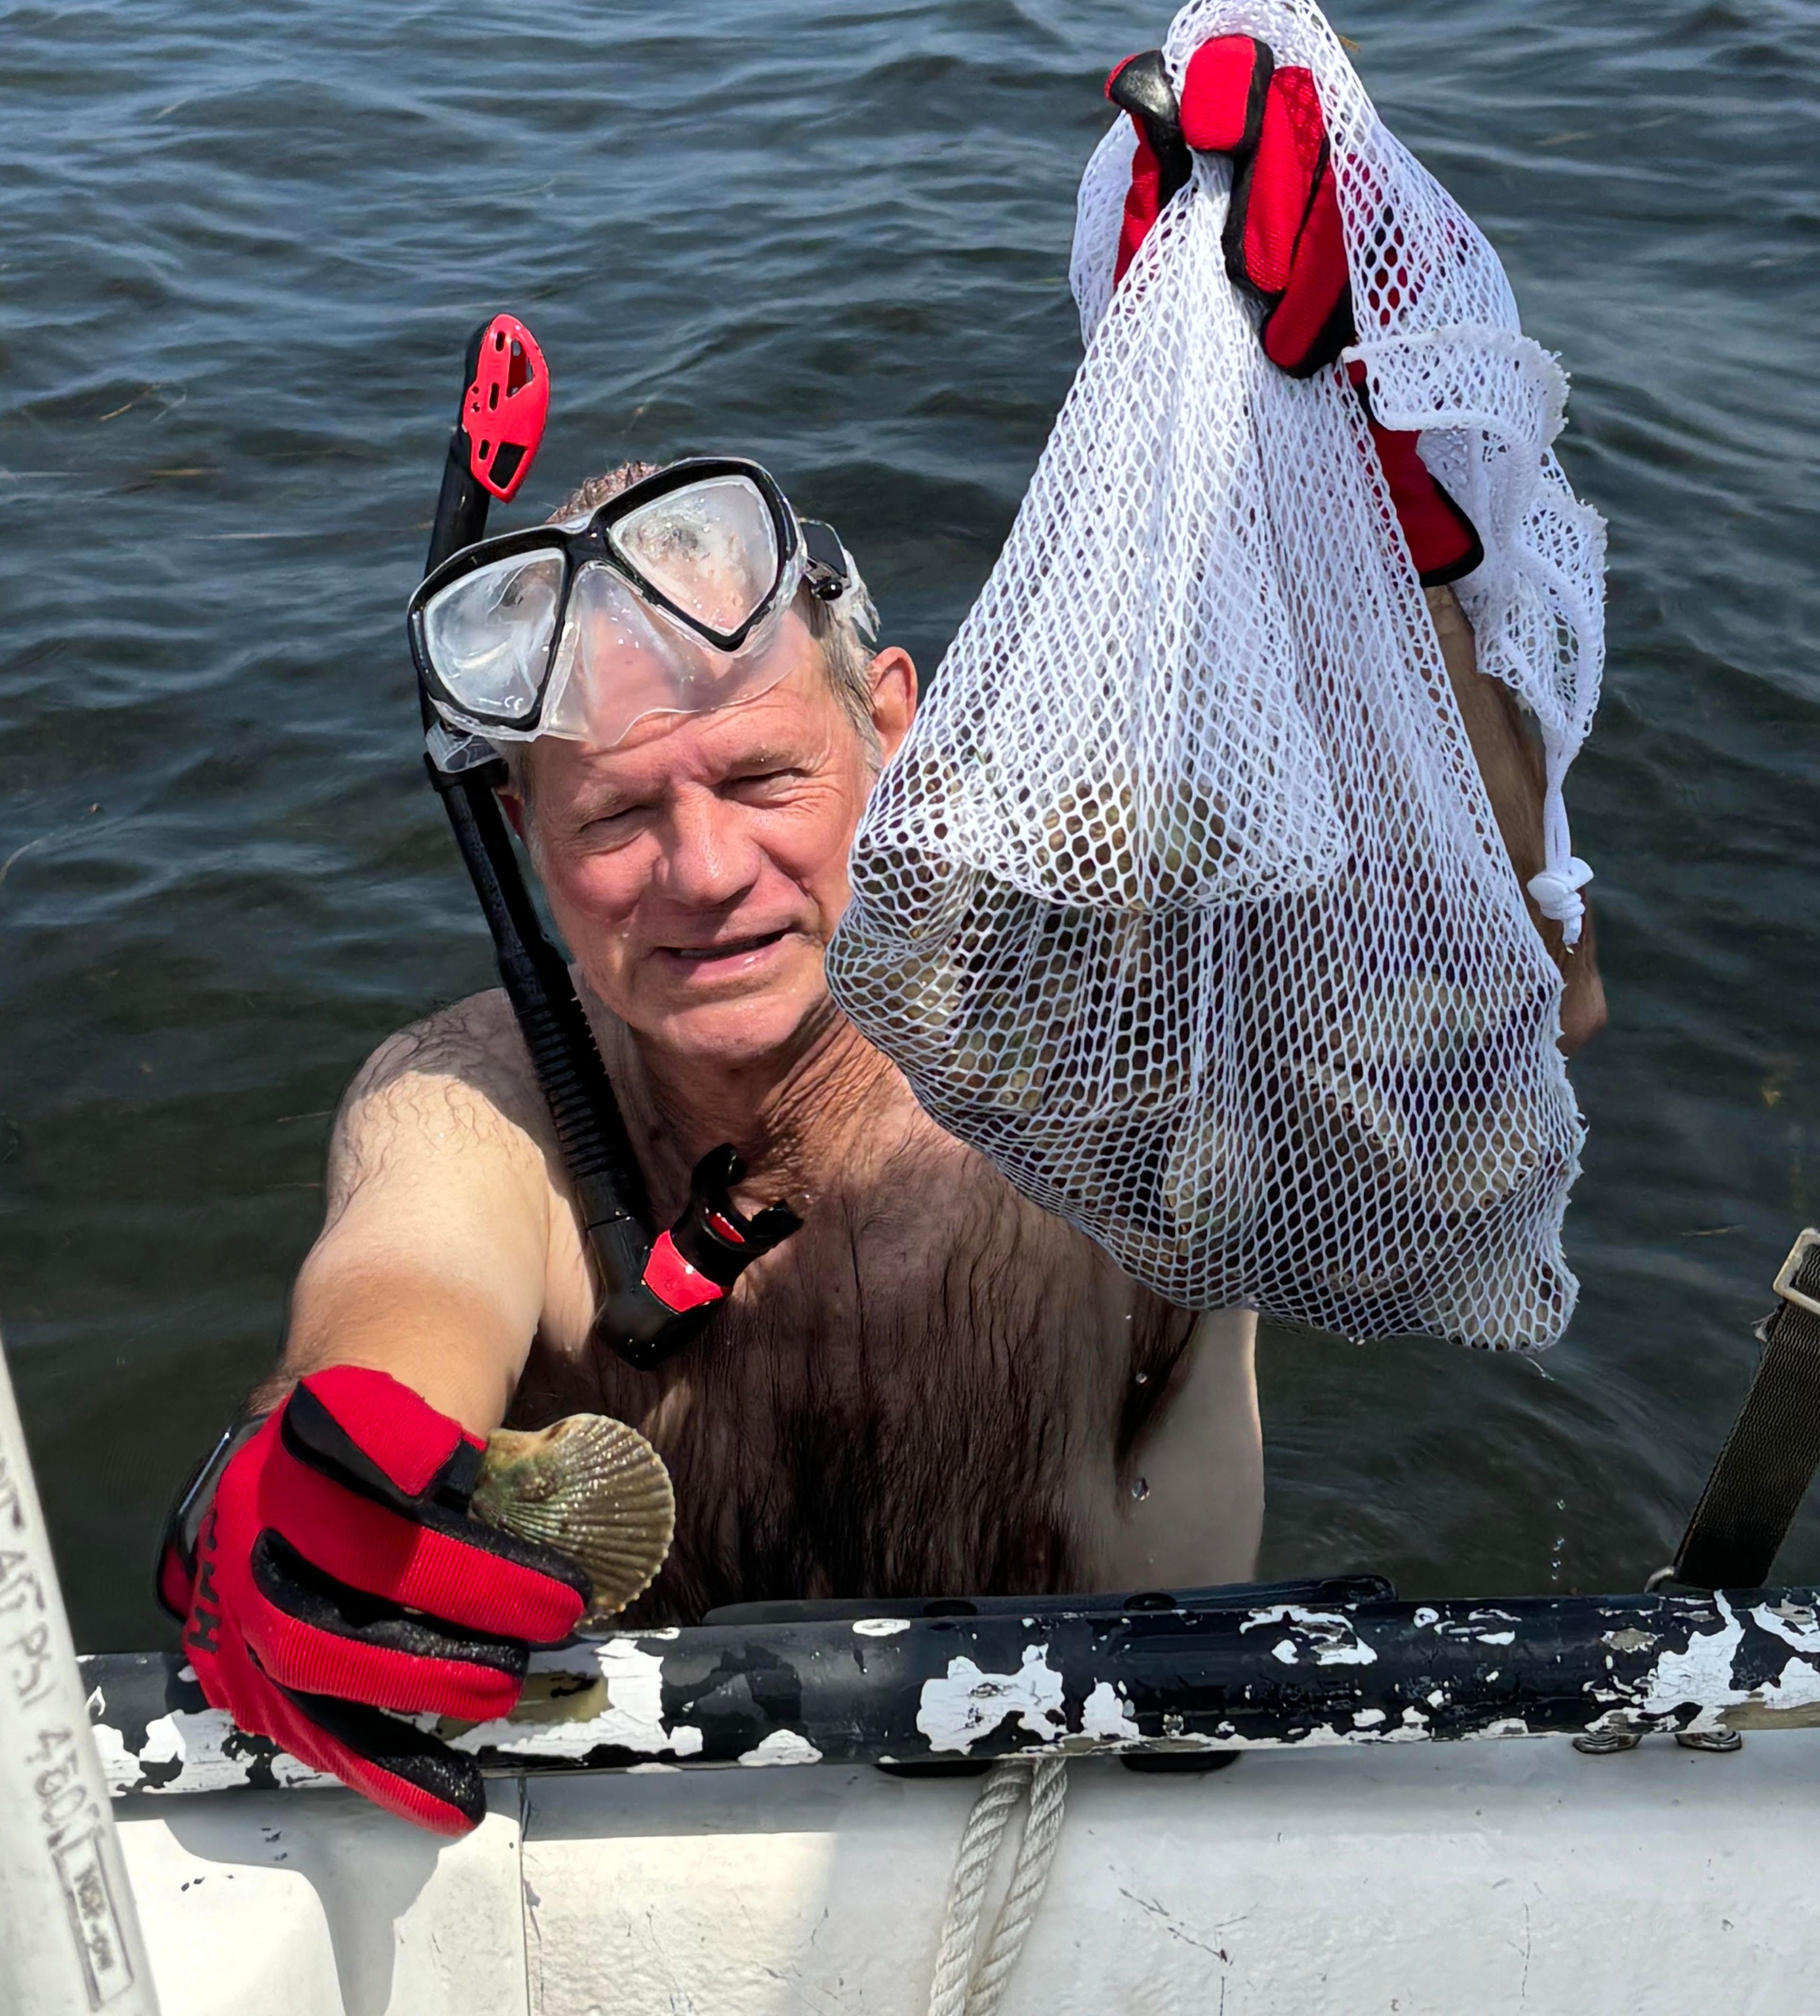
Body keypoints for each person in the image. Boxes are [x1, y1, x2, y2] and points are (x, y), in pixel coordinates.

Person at [161, 435, 1604, 1834]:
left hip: (1127, 1812)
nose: (707, 874)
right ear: (520, 831)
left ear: (891, 725)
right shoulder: (475, 1102)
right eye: (612, 818)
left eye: (761, 780)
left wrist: (1407, 514)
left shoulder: (1123, 1008)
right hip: (674, 1846)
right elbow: (402, 1282)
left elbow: (1513, 984)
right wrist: (300, 1474)